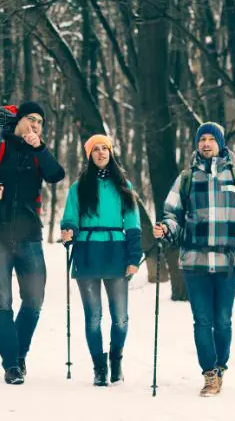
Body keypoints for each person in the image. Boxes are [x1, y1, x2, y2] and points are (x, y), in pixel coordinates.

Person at [152, 121, 235, 397]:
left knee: (223, 320)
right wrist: (166, 228)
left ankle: (221, 366)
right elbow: (173, 215)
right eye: (201, 139)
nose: (205, 144)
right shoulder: (186, 179)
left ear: (220, 143)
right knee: (202, 320)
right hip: (194, 263)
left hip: (227, 264)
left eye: (210, 139)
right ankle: (209, 373)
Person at [0, 101, 65, 385]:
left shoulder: (38, 153)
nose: (36, 124)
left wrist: (40, 147)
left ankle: (18, 352)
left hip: (29, 235)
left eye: (40, 121)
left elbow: (56, 175)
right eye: (31, 119)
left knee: (35, 300)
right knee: (2, 302)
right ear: (18, 121)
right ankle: (12, 365)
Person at [60, 135, 142, 387]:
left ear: (111, 152)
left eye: (104, 148)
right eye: (95, 149)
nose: (100, 152)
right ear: (89, 155)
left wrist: (133, 257)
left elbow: (133, 224)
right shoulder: (79, 186)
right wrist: (68, 230)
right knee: (93, 317)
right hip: (87, 252)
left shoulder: (123, 185)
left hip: (116, 252)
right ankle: (99, 366)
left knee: (120, 317)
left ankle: (116, 360)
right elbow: (70, 216)